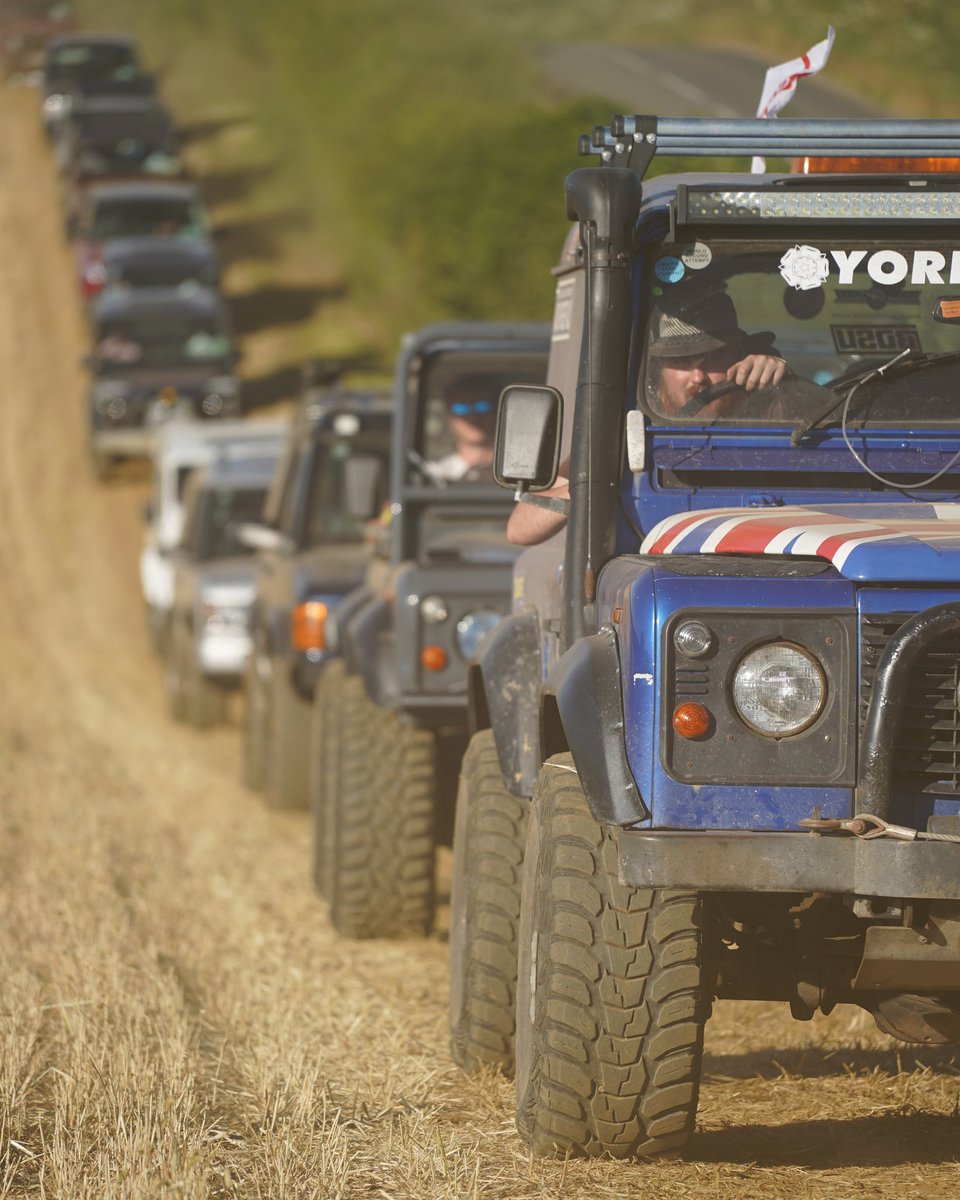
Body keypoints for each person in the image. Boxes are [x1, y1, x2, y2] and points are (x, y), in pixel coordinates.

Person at [507, 292, 787, 545]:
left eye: (713, 358)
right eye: (681, 361)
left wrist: (780, 384)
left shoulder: (769, 407)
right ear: (659, 368)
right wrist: (595, 482)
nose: (698, 377)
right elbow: (520, 529)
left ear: (738, 356)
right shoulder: (632, 428)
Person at [424, 374, 498, 483]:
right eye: (461, 408)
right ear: (449, 416)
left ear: (497, 411)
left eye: (482, 406)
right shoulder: (433, 475)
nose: (473, 416)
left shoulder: (517, 474)